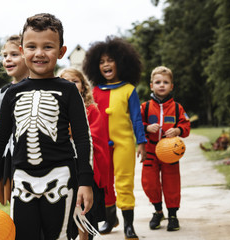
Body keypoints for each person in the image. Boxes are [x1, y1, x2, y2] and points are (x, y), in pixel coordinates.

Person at [0, 13, 94, 240]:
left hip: (61, 177)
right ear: (22, 50)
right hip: (21, 178)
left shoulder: (68, 91)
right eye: (31, 46)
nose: (39, 53)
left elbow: (82, 137)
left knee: (58, 236)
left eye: (48, 47)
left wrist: (85, 182)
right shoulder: (12, 93)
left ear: (61, 52)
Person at [83, 36, 147, 239]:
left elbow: (137, 119)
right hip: (101, 146)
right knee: (105, 184)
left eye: (110, 60)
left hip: (124, 144)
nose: (106, 65)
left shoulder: (129, 90)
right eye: (101, 62)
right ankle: (110, 220)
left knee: (125, 182)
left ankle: (129, 225)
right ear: (96, 66)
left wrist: (142, 143)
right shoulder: (93, 91)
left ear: (121, 62)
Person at [60, 68, 109, 240]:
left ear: (83, 86)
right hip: (63, 165)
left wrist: (74, 132)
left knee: (83, 209)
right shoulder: (56, 110)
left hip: (84, 166)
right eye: (65, 81)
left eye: (75, 81)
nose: (71, 85)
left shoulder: (91, 109)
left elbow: (95, 137)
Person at [140, 66, 190, 231]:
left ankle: (173, 215)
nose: (162, 85)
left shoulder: (177, 108)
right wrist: (147, 128)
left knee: (172, 184)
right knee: (149, 183)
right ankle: (158, 211)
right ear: (151, 85)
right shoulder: (145, 107)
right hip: (151, 151)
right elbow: (136, 124)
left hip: (170, 153)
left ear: (171, 86)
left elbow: (186, 126)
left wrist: (177, 130)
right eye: (158, 82)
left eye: (166, 82)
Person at [0, 34, 29, 205]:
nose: (8, 60)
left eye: (14, 54)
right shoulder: (1, 95)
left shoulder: (46, 90)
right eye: (5, 56)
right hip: (10, 159)